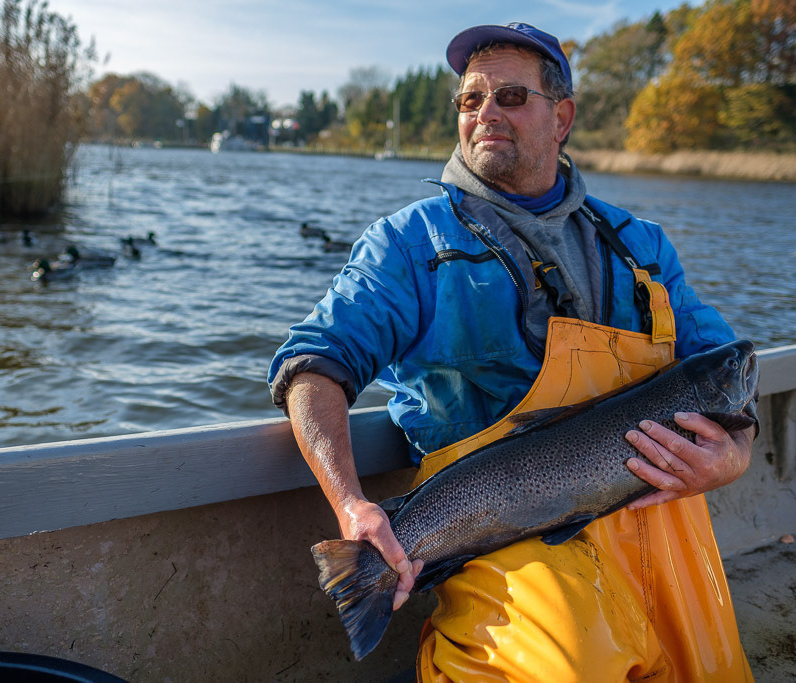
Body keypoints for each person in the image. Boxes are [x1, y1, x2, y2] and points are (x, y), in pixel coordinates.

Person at [269, 21, 755, 682]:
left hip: (653, 520)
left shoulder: (641, 245)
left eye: (510, 97)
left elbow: (721, 366)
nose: (485, 113)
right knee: (573, 669)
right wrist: (352, 504)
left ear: (562, 117)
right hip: (500, 530)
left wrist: (733, 456)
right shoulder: (408, 243)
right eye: (471, 100)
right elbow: (312, 366)